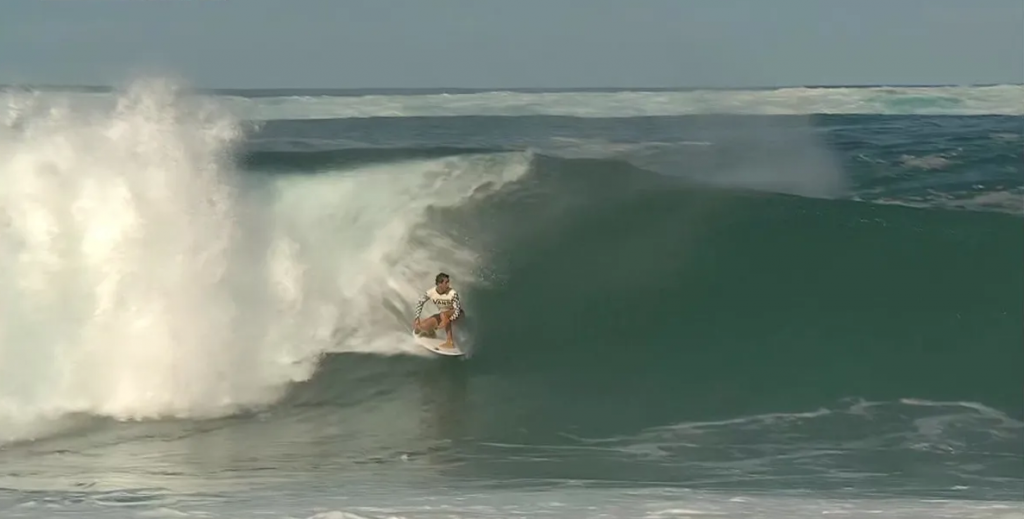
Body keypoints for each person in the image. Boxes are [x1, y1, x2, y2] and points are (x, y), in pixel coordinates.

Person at [413, 272, 464, 349]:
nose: (448, 285)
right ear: (439, 284)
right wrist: (417, 318)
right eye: (446, 283)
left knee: (443, 314)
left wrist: (448, 320)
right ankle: (431, 333)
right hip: (443, 316)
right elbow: (420, 302)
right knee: (421, 327)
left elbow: (457, 310)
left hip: (457, 315)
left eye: (448, 282)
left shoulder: (453, 293)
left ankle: (450, 342)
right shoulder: (431, 292)